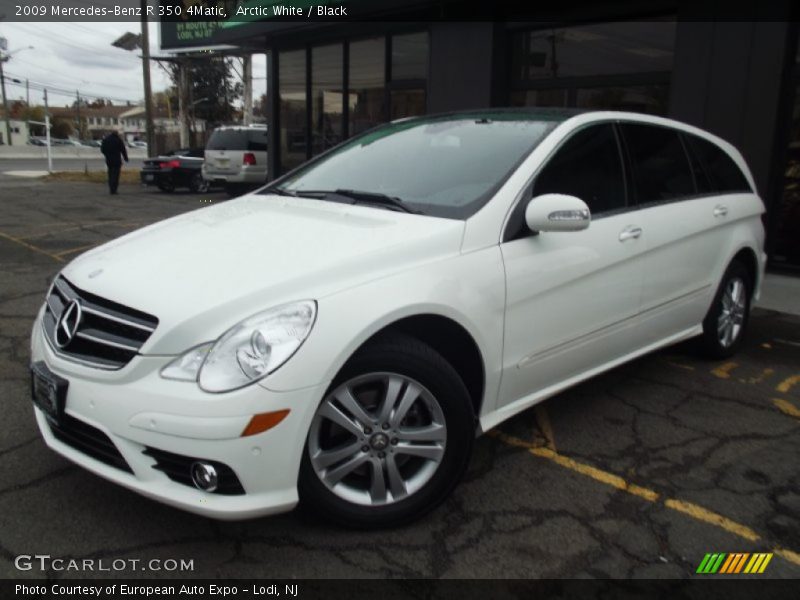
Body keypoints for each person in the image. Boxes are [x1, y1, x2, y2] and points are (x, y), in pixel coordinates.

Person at [100, 130, 129, 194]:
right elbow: (123, 150)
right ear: (117, 134)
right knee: (115, 175)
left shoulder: (106, 140)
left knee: (110, 174)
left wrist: (107, 154)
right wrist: (126, 158)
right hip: (117, 160)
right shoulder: (118, 140)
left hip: (109, 160)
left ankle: (111, 188)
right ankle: (114, 189)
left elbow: (102, 149)